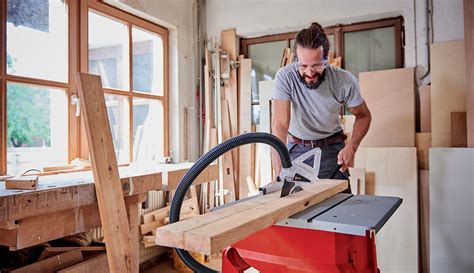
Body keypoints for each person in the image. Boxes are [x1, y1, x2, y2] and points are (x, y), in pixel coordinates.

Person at [271, 22, 371, 189]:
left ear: (327, 58)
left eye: (316, 65)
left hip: (333, 151)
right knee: (296, 211)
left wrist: (352, 146)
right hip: (297, 150)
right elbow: (280, 124)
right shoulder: (285, 77)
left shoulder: (343, 81)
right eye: (303, 66)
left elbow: (364, 115)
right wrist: (278, 172)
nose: (310, 73)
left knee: (338, 210)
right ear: (296, 59)